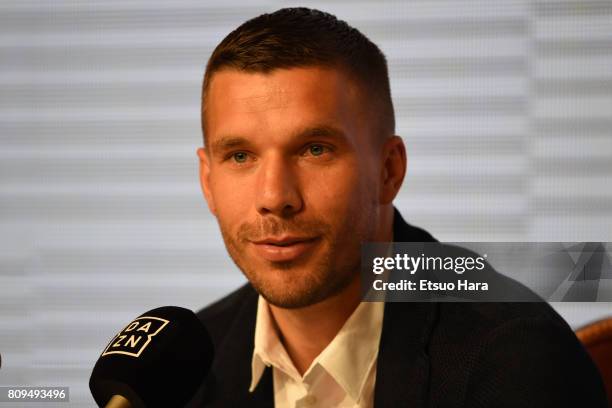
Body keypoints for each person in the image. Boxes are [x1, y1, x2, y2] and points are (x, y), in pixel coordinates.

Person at [187, 8, 607, 407]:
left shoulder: (516, 357)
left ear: (389, 170)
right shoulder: (181, 371)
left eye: (315, 149)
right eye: (240, 156)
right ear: (208, 181)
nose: (274, 197)